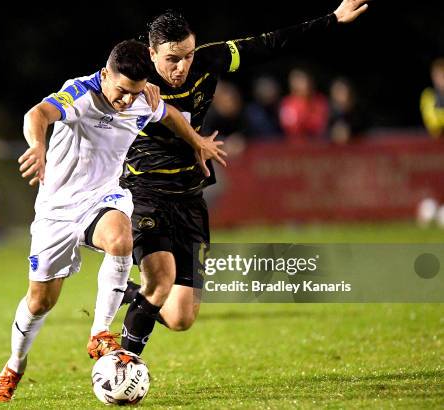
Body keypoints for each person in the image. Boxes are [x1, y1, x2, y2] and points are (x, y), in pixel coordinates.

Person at [118, 0, 369, 355]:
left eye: (188, 55)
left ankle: (127, 292)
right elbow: (90, 106)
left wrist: (331, 19)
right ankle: (122, 363)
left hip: (189, 196)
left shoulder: (209, 60)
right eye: (173, 59)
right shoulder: (131, 75)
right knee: (159, 283)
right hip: (144, 194)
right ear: (152, 53)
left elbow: (268, 44)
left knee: (180, 318)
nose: (183, 66)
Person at [0, 39, 226, 403]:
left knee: (121, 239)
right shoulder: (80, 94)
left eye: (135, 92)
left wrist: (196, 142)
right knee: (40, 301)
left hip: (103, 197)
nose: (127, 100)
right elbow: (36, 115)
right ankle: (15, 364)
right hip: (57, 210)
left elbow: (171, 116)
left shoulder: (146, 97)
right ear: (105, 74)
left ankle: (100, 332)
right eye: (121, 91)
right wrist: (37, 145)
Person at [279, 67, 329, 143]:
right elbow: (291, 129)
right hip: (294, 146)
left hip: (318, 144)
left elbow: (321, 125)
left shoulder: (320, 101)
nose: (305, 84)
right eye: (299, 81)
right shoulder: (287, 104)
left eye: (305, 80)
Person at [327, 77, 368, 144]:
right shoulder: (327, 112)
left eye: (341, 91)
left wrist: (350, 132)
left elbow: (365, 132)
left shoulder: (358, 113)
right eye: (336, 91)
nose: (338, 95)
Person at [420, 57, 444, 138]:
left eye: (442, 75)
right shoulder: (428, 95)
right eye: (436, 76)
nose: (439, 79)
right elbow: (432, 124)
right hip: (437, 140)